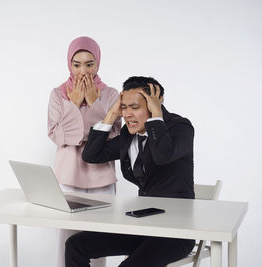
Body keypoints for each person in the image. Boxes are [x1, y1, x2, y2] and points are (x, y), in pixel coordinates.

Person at [65, 76, 195, 267]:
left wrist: (157, 115)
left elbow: (162, 155)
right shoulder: (128, 135)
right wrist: (111, 114)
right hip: (142, 226)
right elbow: (91, 155)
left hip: (176, 233)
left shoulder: (181, 127)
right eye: (124, 108)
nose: (127, 115)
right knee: (76, 245)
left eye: (135, 107)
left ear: (154, 105)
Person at [47, 36, 121, 267]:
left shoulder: (110, 94)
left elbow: (116, 137)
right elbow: (56, 135)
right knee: (65, 239)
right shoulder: (58, 94)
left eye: (89, 64)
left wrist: (94, 103)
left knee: (99, 240)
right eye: (76, 64)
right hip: (68, 175)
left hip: (101, 176)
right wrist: (73, 103)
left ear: (98, 63)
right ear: (69, 64)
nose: (82, 71)